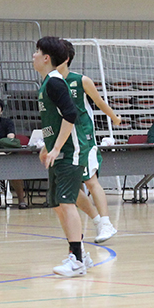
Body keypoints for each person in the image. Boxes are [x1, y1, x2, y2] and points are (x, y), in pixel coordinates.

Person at [32, 36, 89, 277]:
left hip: (69, 151)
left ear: (46, 58)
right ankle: (80, 252)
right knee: (57, 205)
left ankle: (76, 260)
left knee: (67, 202)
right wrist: (48, 147)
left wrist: (56, 148)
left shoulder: (55, 82)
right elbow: (54, 120)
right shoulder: (47, 83)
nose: (33, 55)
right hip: (58, 151)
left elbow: (70, 114)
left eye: (37, 51)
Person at [60, 42, 120, 244]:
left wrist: (115, 118)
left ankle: (106, 222)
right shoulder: (51, 82)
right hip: (64, 139)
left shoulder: (81, 80)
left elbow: (100, 102)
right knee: (68, 186)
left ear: (65, 58)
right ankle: (97, 221)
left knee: (90, 180)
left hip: (83, 137)